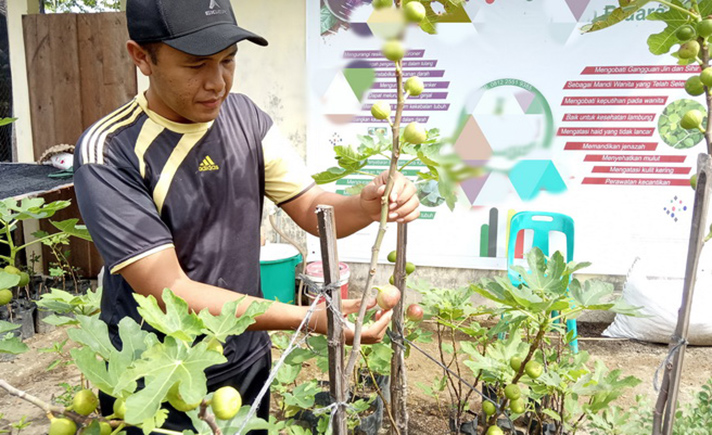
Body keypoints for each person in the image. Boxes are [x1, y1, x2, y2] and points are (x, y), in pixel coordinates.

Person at [72, 0, 420, 433]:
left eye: (228, 60)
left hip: (245, 359)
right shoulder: (110, 151)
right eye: (196, 65)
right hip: (154, 375)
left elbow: (312, 208)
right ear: (141, 56)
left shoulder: (245, 118)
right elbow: (170, 291)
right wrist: (314, 319)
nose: (217, 82)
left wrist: (367, 206)